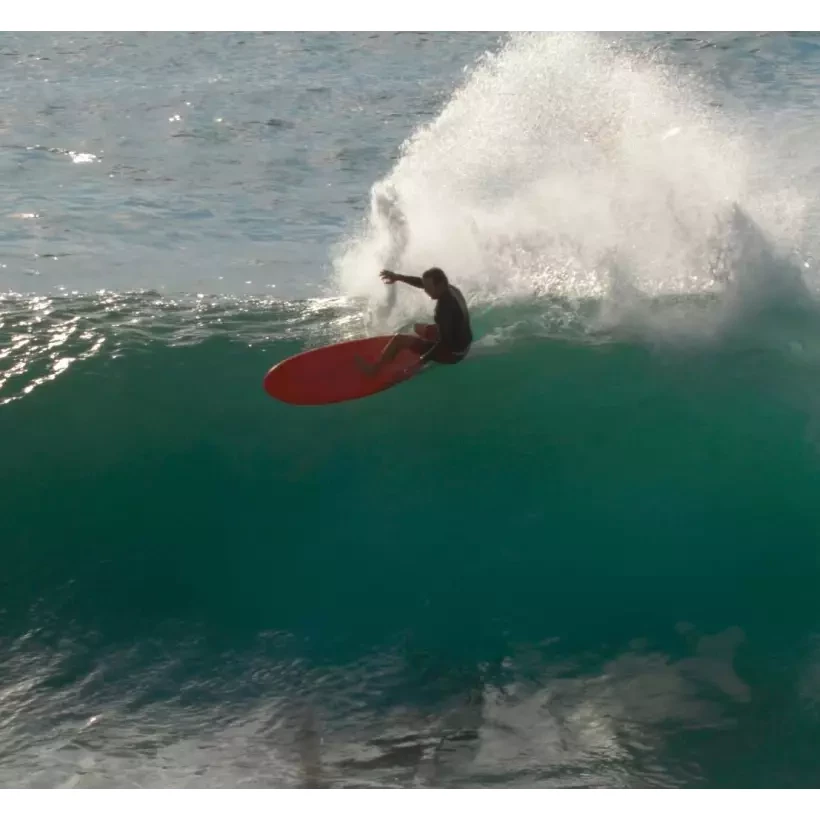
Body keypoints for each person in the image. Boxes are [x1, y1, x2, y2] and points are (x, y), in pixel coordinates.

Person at [358, 267, 472, 376]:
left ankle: (373, 370)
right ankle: (417, 345)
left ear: (440, 285)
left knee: (398, 339)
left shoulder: (443, 308)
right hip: (464, 344)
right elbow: (421, 282)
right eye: (425, 287)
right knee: (418, 328)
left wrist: (420, 362)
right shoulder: (452, 290)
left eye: (428, 288)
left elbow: (444, 344)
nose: (425, 290)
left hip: (453, 354)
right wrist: (398, 277)